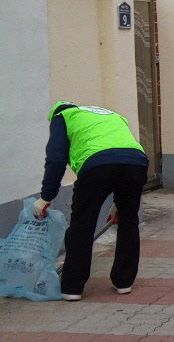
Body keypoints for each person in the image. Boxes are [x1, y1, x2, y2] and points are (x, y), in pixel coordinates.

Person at [33, 102, 149, 301]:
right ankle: (124, 282)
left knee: (82, 224)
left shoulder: (63, 116)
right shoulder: (112, 115)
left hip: (97, 165)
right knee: (129, 222)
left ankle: (72, 288)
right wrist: (117, 203)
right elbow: (119, 152)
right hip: (136, 162)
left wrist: (46, 197)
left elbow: (56, 158)